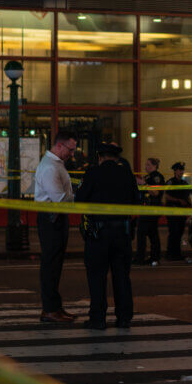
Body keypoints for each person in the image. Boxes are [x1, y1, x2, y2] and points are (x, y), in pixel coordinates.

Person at [75, 142, 142, 330]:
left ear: (100, 157)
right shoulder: (127, 174)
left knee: (97, 277)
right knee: (122, 276)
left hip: (99, 233)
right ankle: (124, 318)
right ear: (117, 158)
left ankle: (98, 318)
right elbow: (137, 200)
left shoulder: (92, 173)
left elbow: (79, 200)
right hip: (122, 232)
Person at [34, 131, 78, 324]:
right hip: (51, 218)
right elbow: (59, 198)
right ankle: (50, 309)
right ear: (59, 146)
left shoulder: (56, 164)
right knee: (51, 264)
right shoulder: (50, 168)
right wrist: (78, 196)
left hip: (56, 218)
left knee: (55, 264)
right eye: (70, 149)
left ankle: (55, 307)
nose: (72, 153)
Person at [135, 157, 164, 266]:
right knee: (152, 234)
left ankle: (141, 257)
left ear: (154, 166)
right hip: (146, 208)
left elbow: (155, 192)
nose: (145, 167)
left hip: (152, 209)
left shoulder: (157, 177)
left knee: (142, 233)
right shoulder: (148, 177)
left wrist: (142, 183)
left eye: (148, 165)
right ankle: (154, 257)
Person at [163, 161, 190, 261]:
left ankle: (177, 253)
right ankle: (170, 253)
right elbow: (166, 195)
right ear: (175, 171)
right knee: (173, 232)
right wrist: (178, 200)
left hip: (181, 213)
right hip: (173, 211)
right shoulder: (171, 182)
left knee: (179, 233)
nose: (181, 172)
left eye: (182, 170)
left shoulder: (184, 183)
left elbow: (188, 196)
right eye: (179, 170)